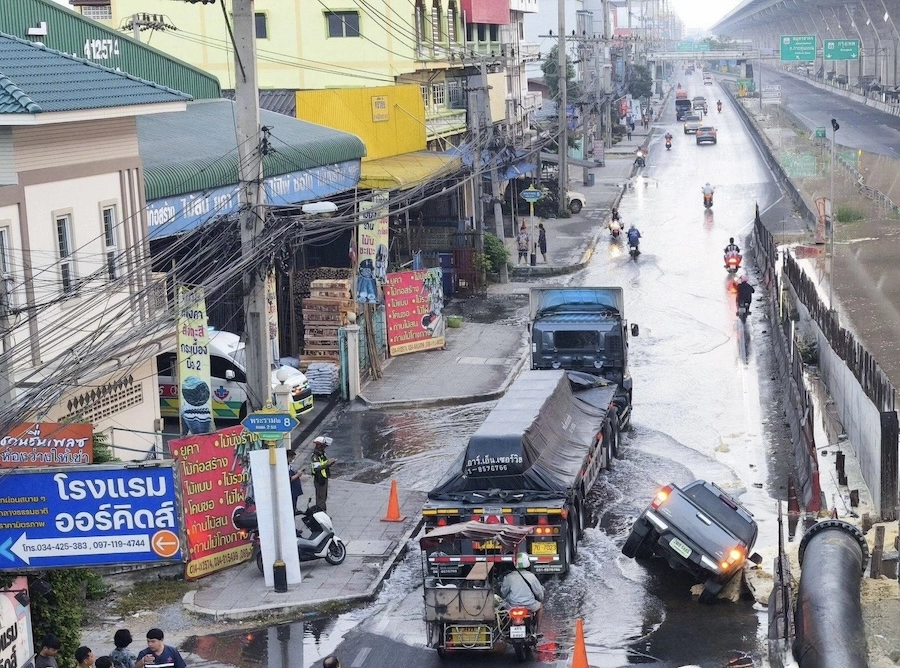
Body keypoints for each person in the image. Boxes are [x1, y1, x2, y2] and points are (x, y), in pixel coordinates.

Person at [500, 552, 545, 630]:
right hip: (529, 605)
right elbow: (539, 593)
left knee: (501, 609)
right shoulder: (532, 576)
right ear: (527, 563)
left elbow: (503, 593)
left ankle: (504, 629)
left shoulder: (509, 577)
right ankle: (538, 630)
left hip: (512, 605)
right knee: (540, 607)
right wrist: (540, 598)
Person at [310, 435, 336, 511]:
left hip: (323, 478)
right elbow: (317, 468)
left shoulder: (322, 454)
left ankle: (323, 512)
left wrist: (329, 463)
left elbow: (323, 464)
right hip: (319, 478)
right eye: (323, 446)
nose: (324, 447)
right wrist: (328, 463)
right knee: (321, 498)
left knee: (323, 497)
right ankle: (320, 513)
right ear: (319, 445)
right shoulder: (315, 456)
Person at [287, 449, 304, 515]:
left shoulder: (289, 465)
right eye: (292, 458)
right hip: (291, 491)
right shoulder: (285, 466)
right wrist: (297, 475)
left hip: (295, 491)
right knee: (291, 508)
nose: (292, 460)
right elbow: (289, 479)